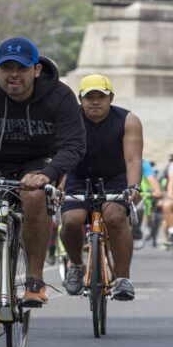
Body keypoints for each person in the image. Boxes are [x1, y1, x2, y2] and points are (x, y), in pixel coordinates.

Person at [0, 37, 86, 331]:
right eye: (7, 67)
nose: (14, 75)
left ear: (36, 70)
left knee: (33, 196)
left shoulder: (59, 96)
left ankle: (34, 279)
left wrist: (50, 173)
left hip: (39, 162)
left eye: (21, 68)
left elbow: (73, 145)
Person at [60, 74, 143, 301]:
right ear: (80, 99)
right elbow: (62, 158)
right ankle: (76, 265)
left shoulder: (128, 120)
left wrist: (134, 187)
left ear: (111, 98)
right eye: (89, 97)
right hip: (77, 176)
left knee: (115, 217)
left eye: (101, 96)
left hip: (114, 177)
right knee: (71, 220)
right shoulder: (68, 119)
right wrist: (59, 187)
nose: (95, 101)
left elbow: (133, 160)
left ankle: (123, 278)